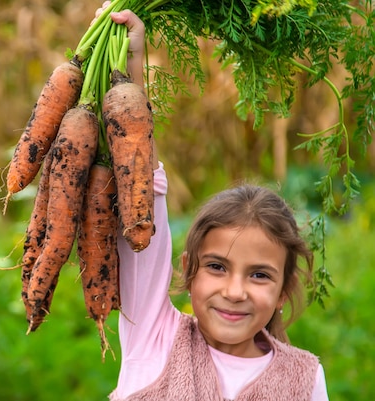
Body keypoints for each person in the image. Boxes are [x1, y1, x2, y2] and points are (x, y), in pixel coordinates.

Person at [93, 2, 330, 400]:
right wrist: (131, 60)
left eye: (259, 275)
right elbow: (140, 192)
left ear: (283, 292)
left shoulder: (304, 378)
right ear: (188, 270)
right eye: (217, 267)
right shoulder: (155, 335)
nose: (235, 291)